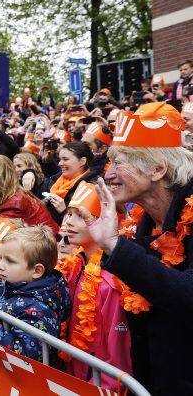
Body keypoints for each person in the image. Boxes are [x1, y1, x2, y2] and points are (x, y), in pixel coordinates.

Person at [80, 102, 193, 394]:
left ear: (157, 169)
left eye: (120, 162)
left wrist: (115, 246)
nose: (109, 174)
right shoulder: (143, 223)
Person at [58, 182, 131, 390]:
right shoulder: (73, 266)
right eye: (70, 214)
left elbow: (118, 358)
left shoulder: (112, 282)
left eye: (80, 216)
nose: (69, 222)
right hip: (70, 380)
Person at [0, 225, 70, 362]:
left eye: (9, 261)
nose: (0, 265)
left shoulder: (39, 309)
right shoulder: (10, 284)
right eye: (2, 258)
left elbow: (26, 357)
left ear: (37, 271)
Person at [40, 141, 97, 225]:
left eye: (65, 159)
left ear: (82, 161)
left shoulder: (90, 188)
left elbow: (85, 226)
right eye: (59, 159)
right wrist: (30, 173)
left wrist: (64, 211)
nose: (59, 163)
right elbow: (35, 193)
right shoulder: (57, 178)